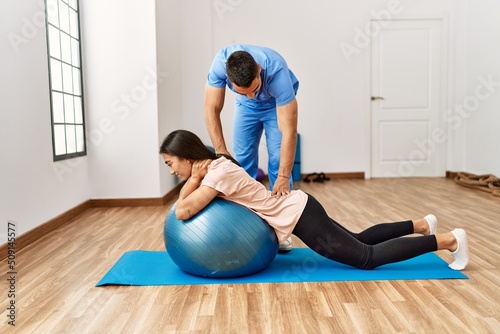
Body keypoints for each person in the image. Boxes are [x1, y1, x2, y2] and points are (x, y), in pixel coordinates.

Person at [159, 130, 470, 271]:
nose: (172, 170)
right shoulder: (218, 165)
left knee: (367, 259)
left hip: (298, 216)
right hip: (300, 207)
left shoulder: (213, 175)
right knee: (360, 240)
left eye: (170, 163)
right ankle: (420, 224)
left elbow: (183, 211)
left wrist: (195, 179)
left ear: (187, 157)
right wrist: (195, 177)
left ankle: (449, 241)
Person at [204, 44, 299, 252]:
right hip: (245, 110)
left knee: (277, 164)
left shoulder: (277, 73)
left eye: (254, 90)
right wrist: (221, 151)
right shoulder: (220, 64)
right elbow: (211, 109)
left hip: (275, 105)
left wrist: (283, 176)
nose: (251, 95)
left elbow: (289, 132)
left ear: (258, 69)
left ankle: (281, 230)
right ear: (230, 80)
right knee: (242, 163)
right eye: (243, 91)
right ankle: (245, 226)